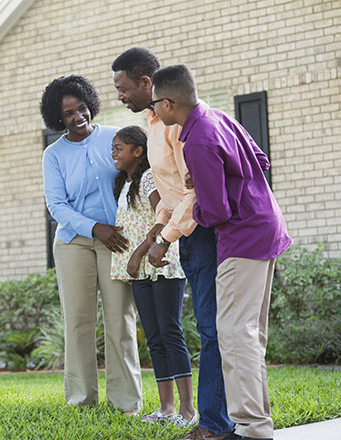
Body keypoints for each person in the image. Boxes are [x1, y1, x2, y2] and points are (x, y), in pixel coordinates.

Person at [151, 64, 292, 440]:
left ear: (168, 103)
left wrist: (194, 193)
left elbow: (215, 213)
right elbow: (260, 162)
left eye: (155, 105)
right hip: (267, 226)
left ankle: (250, 429)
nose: (154, 113)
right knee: (249, 333)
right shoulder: (219, 118)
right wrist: (215, 179)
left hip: (242, 239)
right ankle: (256, 425)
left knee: (233, 334)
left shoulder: (194, 140)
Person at [112, 48, 233, 439]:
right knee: (207, 328)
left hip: (202, 232)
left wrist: (162, 239)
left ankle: (213, 423)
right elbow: (172, 192)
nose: (119, 95)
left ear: (148, 84)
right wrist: (158, 237)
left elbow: (194, 192)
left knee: (213, 330)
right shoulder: (153, 123)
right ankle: (220, 420)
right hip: (184, 235)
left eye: (124, 88)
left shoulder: (179, 124)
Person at [40, 75, 142, 414]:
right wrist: (95, 228)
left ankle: (126, 401)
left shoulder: (115, 136)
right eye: (68, 113)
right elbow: (56, 207)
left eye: (81, 108)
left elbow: (138, 178)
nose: (77, 116)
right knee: (79, 320)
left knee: (120, 319)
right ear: (58, 118)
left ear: (90, 105)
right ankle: (81, 400)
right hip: (74, 243)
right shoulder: (53, 155)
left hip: (118, 240)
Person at [109, 126, 196, 427]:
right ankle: (167, 409)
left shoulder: (147, 178)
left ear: (138, 151)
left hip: (162, 264)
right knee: (155, 338)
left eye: (119, 147)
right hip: (141, 272)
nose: (114, 153)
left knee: (170, 331)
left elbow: (164, 216)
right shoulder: (124, 182)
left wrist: (139, 253)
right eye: (113, 148)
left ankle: (187, 410)